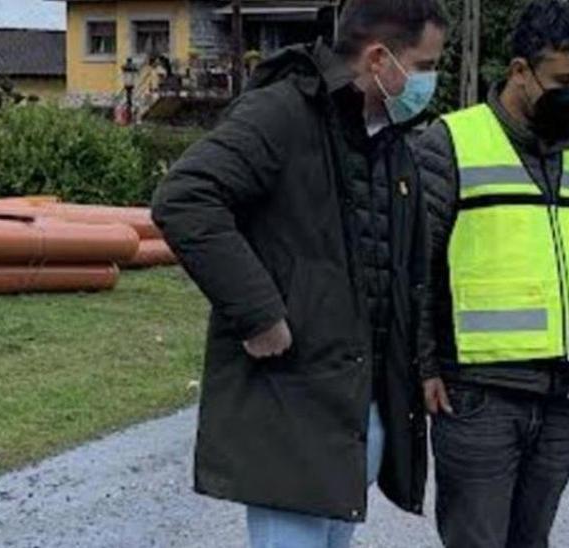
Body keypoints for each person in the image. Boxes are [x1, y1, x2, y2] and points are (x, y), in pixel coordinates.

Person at [150, 1, 447, 546]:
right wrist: (258, 314)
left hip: (354, 412)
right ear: (380, 58)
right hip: (292, 409)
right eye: (424, 65)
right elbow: (186, 198)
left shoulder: (391, 144)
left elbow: (406, 276)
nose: (430, 81)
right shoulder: (284, 115)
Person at [415, 1, 569, 546]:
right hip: (476, 395)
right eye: (563, 80)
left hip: (554, 398)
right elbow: (418, 267)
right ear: (520, 71)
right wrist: (424, 364)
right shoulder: (451, 141)